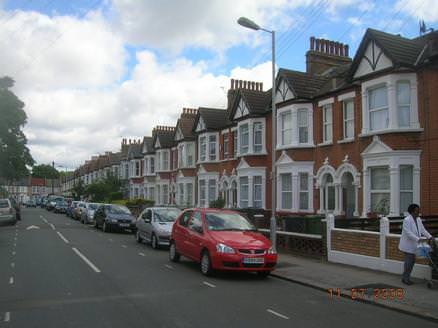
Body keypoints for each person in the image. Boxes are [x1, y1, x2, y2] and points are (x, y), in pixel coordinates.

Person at [398, 204, 432, 285]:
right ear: (413, 211)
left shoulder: (418, 219)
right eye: (417, 210)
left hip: (414, 244)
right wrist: (418, 239)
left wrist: (430, 237)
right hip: (407, 245)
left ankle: (405, 277)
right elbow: (408, 233)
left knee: (411, 261)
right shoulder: (407, 220)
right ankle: (405, 279)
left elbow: (423, 230)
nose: (419, 212)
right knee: (409, 262)